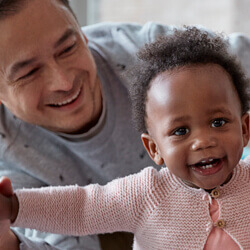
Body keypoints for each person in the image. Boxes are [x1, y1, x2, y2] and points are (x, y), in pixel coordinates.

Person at [0, 0, 250, 249]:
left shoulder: (159, 57)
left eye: (67, 48)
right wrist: (13, 208)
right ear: (153, 149)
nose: (63, 82)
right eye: (28, 72)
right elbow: (83, 208)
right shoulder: (145, 193)